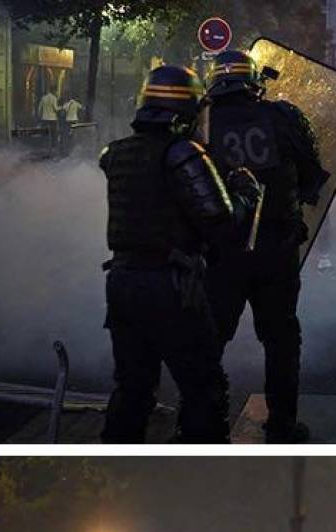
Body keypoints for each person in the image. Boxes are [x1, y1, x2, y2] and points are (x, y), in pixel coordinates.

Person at [98, 64, 261, 443]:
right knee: (203, 387)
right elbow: (221, 221)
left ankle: (119, 476)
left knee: (132, 389)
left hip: (121, 285)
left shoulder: (116, 153)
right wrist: (246, 192)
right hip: (171, 287)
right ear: (187, 111)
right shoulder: (182, 153)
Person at [204, 50, 330, 443]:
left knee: (208, 339)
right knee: (280, 340)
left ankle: (202, 422)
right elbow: (313, 178)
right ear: (254, 83)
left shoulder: (199, 123)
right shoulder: (282, 116)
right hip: (276, 249)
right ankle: (281, 426)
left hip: (221, 252)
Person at [38, 88, 61, 152]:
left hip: (44, 119)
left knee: (44, 133)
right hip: (52, 119)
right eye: (56, 91)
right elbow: (56, 109)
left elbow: (39, 109)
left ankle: (44, 146)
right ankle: (54, 147)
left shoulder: (43, 98)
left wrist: (40, 116)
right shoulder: (54, 98)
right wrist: (61, 108)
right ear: (54, 91)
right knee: (54, 133)